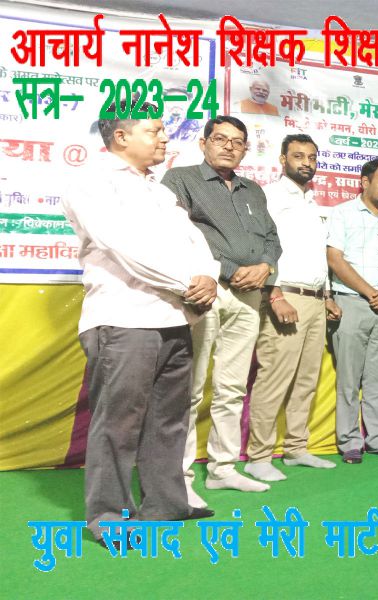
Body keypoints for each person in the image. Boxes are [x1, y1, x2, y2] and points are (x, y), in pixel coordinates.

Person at [62, 99, 218, 545]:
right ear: (120, 137)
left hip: (173, 317)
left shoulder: (159, 189)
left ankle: (165, 505)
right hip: (123, 318)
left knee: (169, 419)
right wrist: (187, 283)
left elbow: (194, 239)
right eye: (153, 130)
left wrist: (208, 275)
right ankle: (109, 516)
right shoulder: (92, 182)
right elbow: (124, 247)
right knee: (118, 422)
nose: (164, 138)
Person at [162, 115, 282, 506]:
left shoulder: (253, 190)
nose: (229, 146)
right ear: (203, 143)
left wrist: (265, 266)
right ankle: (178, 477)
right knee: (191, 389)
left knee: (232, 388)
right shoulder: (181, 179)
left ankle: (223, 469)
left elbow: (271, 239)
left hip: (248, 298)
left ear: (245, 149)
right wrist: (229, 270)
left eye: (237, 141)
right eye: (220, 139)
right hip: (205, 293)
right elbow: (178, 235)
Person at [245, 134, 342, 482]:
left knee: (306, 380)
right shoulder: (268, 196)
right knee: (274, 378)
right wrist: (274, 295)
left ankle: (297, 448)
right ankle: (258, 457)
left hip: (315, 299)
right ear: (282, 160)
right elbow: (260, 248)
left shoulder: (313, 203)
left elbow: (316, 254)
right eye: (298, 156)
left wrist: (327, 294)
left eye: (312, 157)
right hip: (284, 296)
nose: (306, 162)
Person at [326, 159, 378, 464]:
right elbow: (335, 260)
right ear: (365, 182)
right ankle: (349, 441)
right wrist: (369, 292)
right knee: (349, 379)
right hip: (351, 303)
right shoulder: (342, 213)